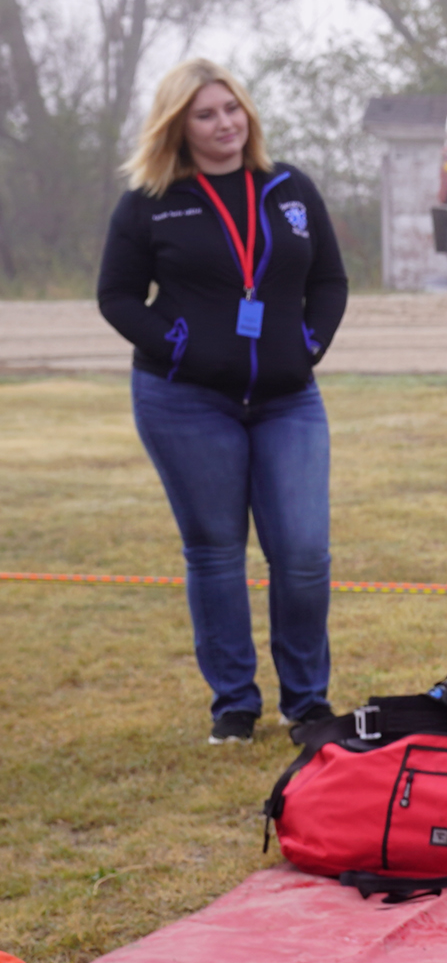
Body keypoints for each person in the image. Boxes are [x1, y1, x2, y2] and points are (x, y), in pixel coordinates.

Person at [96, 59, 347, 745]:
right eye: (205, 114)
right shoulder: (150, 199)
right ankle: (234, 705)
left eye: (231, 108)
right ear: (178, 125)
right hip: (184, 400)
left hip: (287, 399)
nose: (224, 124)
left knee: (301, 551)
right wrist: (177, 348)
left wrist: (308, 343)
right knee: (213, 550)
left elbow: (328, 279)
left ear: (248, 113)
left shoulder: (290, 188)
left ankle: (307, 702)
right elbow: (116, 295)